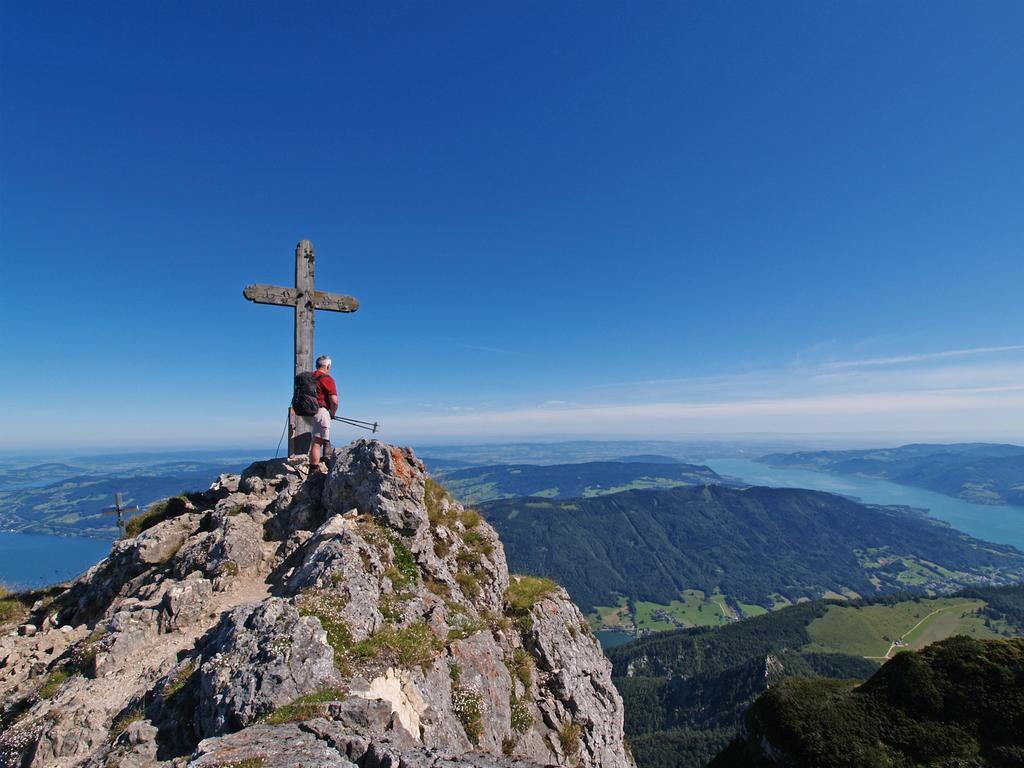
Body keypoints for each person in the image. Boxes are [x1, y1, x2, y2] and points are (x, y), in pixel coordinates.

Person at [309, 355, 339, 469]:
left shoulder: (310, 377)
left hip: (308, 412)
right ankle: (313, 471)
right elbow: (334, 401)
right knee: (317, 442)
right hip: (320, 411)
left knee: (317, 440)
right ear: (328, 366)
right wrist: (333, 413)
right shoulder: (327, 378)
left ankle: (325, 455)